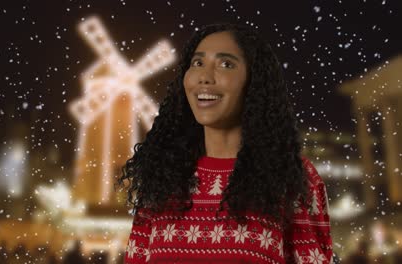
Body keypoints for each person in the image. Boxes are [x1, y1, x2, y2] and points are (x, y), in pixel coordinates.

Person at [118, 23, 333, 263]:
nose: (204, 77)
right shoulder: (161, 179)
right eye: (197, 63)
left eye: (226, 64)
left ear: (254, 82)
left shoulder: (294, 179)